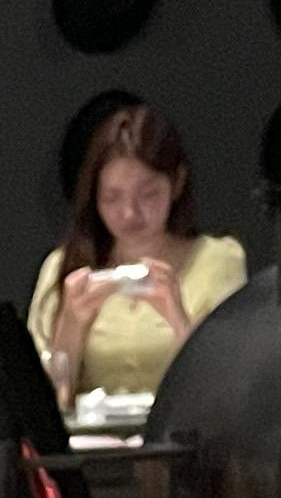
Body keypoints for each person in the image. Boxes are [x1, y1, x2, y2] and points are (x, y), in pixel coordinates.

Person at [29, 103, 245, 405]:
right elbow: (41, 403)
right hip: (94, 433)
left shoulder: (216, 260)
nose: (130, 213)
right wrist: (71, 322)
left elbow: (228, 387)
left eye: (148, 194)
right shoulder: (63, 267)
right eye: (112, 197)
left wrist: (177, 317)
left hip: (184, 431)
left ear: (177, 183)